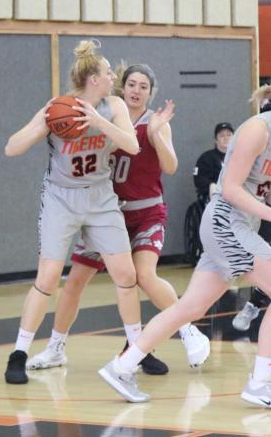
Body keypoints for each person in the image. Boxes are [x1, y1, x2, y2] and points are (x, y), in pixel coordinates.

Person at [26, 63, 209, 376]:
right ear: (122, 88)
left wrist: (156, 136)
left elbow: (171, 166)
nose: (136, 90)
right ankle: (56, 347)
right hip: (107, 212)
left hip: (147, 210)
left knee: (143, 275)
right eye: (132, 84)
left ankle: (188, 329)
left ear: (151, 93)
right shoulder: (103, 115)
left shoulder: (156, 122)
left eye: (143, 87)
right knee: (74, 282)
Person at [99, 84, 271, 408]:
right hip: (225, 222)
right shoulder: (257, 131)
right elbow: (231, 189)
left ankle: (121, 367)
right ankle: (261, 381)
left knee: (189, 308)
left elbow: (260, 190)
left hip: (241, 226)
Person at [3, 39, 140, 384]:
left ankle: (138, 349)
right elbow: (11, 148)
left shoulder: (114, 106)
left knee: (125, 274)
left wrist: (97, 122)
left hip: (100, 197)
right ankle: (18, 353)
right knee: (47, 278)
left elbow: (133, 145)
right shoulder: (57, 108)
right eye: (109, 73)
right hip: (61, 198)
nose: (114, 78)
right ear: (93, 79)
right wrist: (43, 127)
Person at [193, 122, 234, 202]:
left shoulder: (240, 156)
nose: (226, 138)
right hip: (214, 200)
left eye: (229, 135)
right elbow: (199, 180)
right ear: (215, 139)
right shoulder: (206, 158)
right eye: (222, 135)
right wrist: (211, 186)